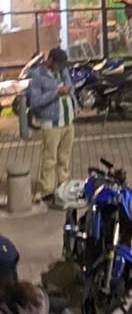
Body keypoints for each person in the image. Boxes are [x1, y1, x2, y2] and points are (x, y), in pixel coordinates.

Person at [27, 50, 76, 207]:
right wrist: (56, 93)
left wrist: (75, 104)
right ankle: (47, 191)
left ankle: (63, 188)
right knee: (50, 159)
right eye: (58, 64)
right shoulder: (37, 75)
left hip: (68, 121)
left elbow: (71, 87)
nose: (61, 68)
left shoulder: (63, 70)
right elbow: (35, 101)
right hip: (51, 123)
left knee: (64, 158)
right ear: (50, 60)